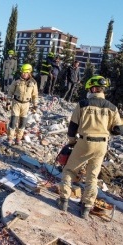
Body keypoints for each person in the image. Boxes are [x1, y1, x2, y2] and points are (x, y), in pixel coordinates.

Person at [57, 76, 123, 219]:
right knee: (92, 176)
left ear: (92, 88)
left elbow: (72, 127)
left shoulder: (82, 104)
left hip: (85, 142)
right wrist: (106, 131)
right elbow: (119, 130)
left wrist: (72, 141)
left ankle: (63, 200)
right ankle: (86, 207)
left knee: (69, 169)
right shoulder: (112, 107)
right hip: (102, 145)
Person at [6, 64, 38, 145]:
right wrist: (8, 102)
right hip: (16, 103)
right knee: (13, 121)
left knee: (22, 122)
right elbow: (10, 91)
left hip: (26, 105)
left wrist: (35, 105)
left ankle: (18, 138)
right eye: (22, 72)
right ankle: (10, 138)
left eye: (25, 72)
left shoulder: (33, 82)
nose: (23, 74)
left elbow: (35, 95)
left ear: (29, 73)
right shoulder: (17, 80)